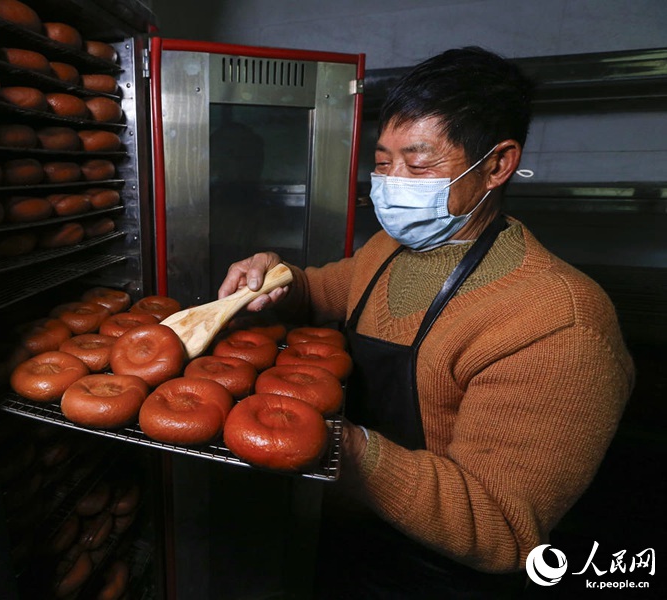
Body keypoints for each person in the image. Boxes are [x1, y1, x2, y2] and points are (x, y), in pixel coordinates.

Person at [217, 47, 634, 598]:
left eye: (417, 164)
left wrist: (342, 446)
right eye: (383, 162)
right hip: (342, 532)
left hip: (435, 575)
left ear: (496, 164)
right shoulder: (391, 248)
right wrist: (277, 277)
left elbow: (503, 529)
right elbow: (325, 291)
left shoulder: (559, 322)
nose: (392, 182)